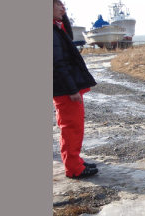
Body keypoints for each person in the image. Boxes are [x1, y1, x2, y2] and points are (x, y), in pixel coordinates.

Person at [53, 0, 99, 178]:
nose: (62, 8)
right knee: (71, 128)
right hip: (65, 89)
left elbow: (69, 36)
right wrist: (72, 90)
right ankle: (73, 168)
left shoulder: (56, 29)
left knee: (75, 127)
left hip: (66, 87)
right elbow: (57, 64)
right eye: (58, 5)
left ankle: (75, 161)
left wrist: (63, 16)